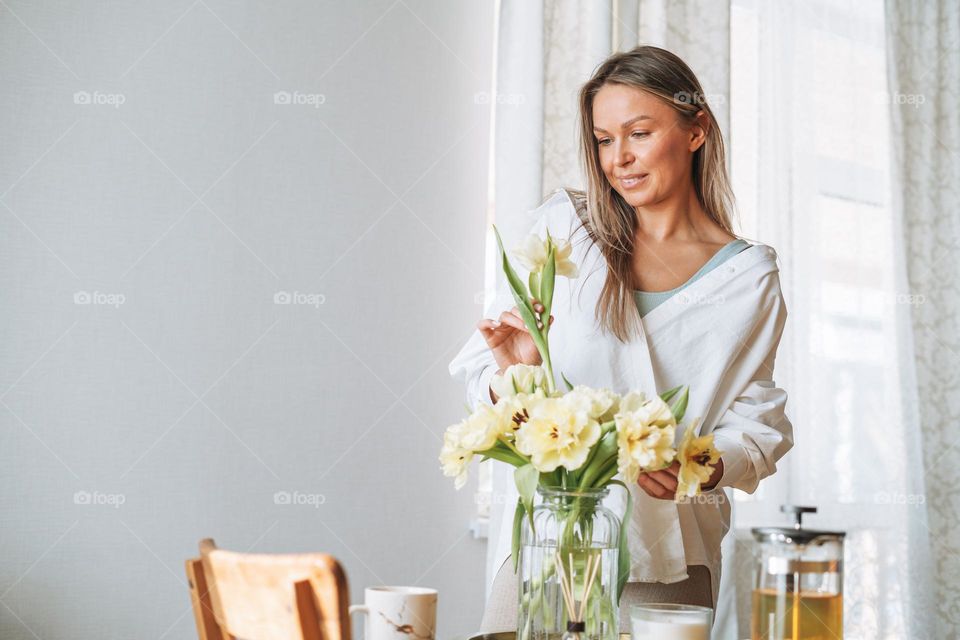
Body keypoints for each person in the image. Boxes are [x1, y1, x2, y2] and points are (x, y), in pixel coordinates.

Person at [448, 45, 793, 633]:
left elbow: (759, 422)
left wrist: (702, 467)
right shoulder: (566, 232)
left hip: (671, 551)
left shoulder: (748, 277)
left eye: (638, 133)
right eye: (604, 140)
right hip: (547, 542)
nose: (620, 159)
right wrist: (516, 372)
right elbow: (487, 384)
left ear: (695, 130)